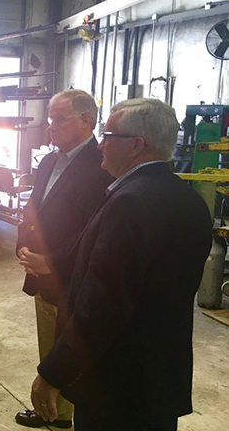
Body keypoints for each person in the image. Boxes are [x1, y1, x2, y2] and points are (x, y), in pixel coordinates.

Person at [29, 98, 212, 431]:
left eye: (108, 135)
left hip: (117, 384)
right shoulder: (189, 199)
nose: (100, 144)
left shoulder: (131, 202)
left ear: (136, 145)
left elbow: (102, 306)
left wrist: (53, 373)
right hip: (158, 375)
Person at [15, 89, 114, 429]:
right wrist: (23, 244)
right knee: (49, 340)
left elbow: (92, 228)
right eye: (49, 119)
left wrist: (52, 261)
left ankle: (67, 410)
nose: (51, 126)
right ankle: (55, 410)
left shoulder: (102, 165)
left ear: (86, 121)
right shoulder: (49, 160)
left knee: (73, 343)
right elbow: (34, 206)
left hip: (74, 277)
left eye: (59, 119)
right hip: (43, 275)